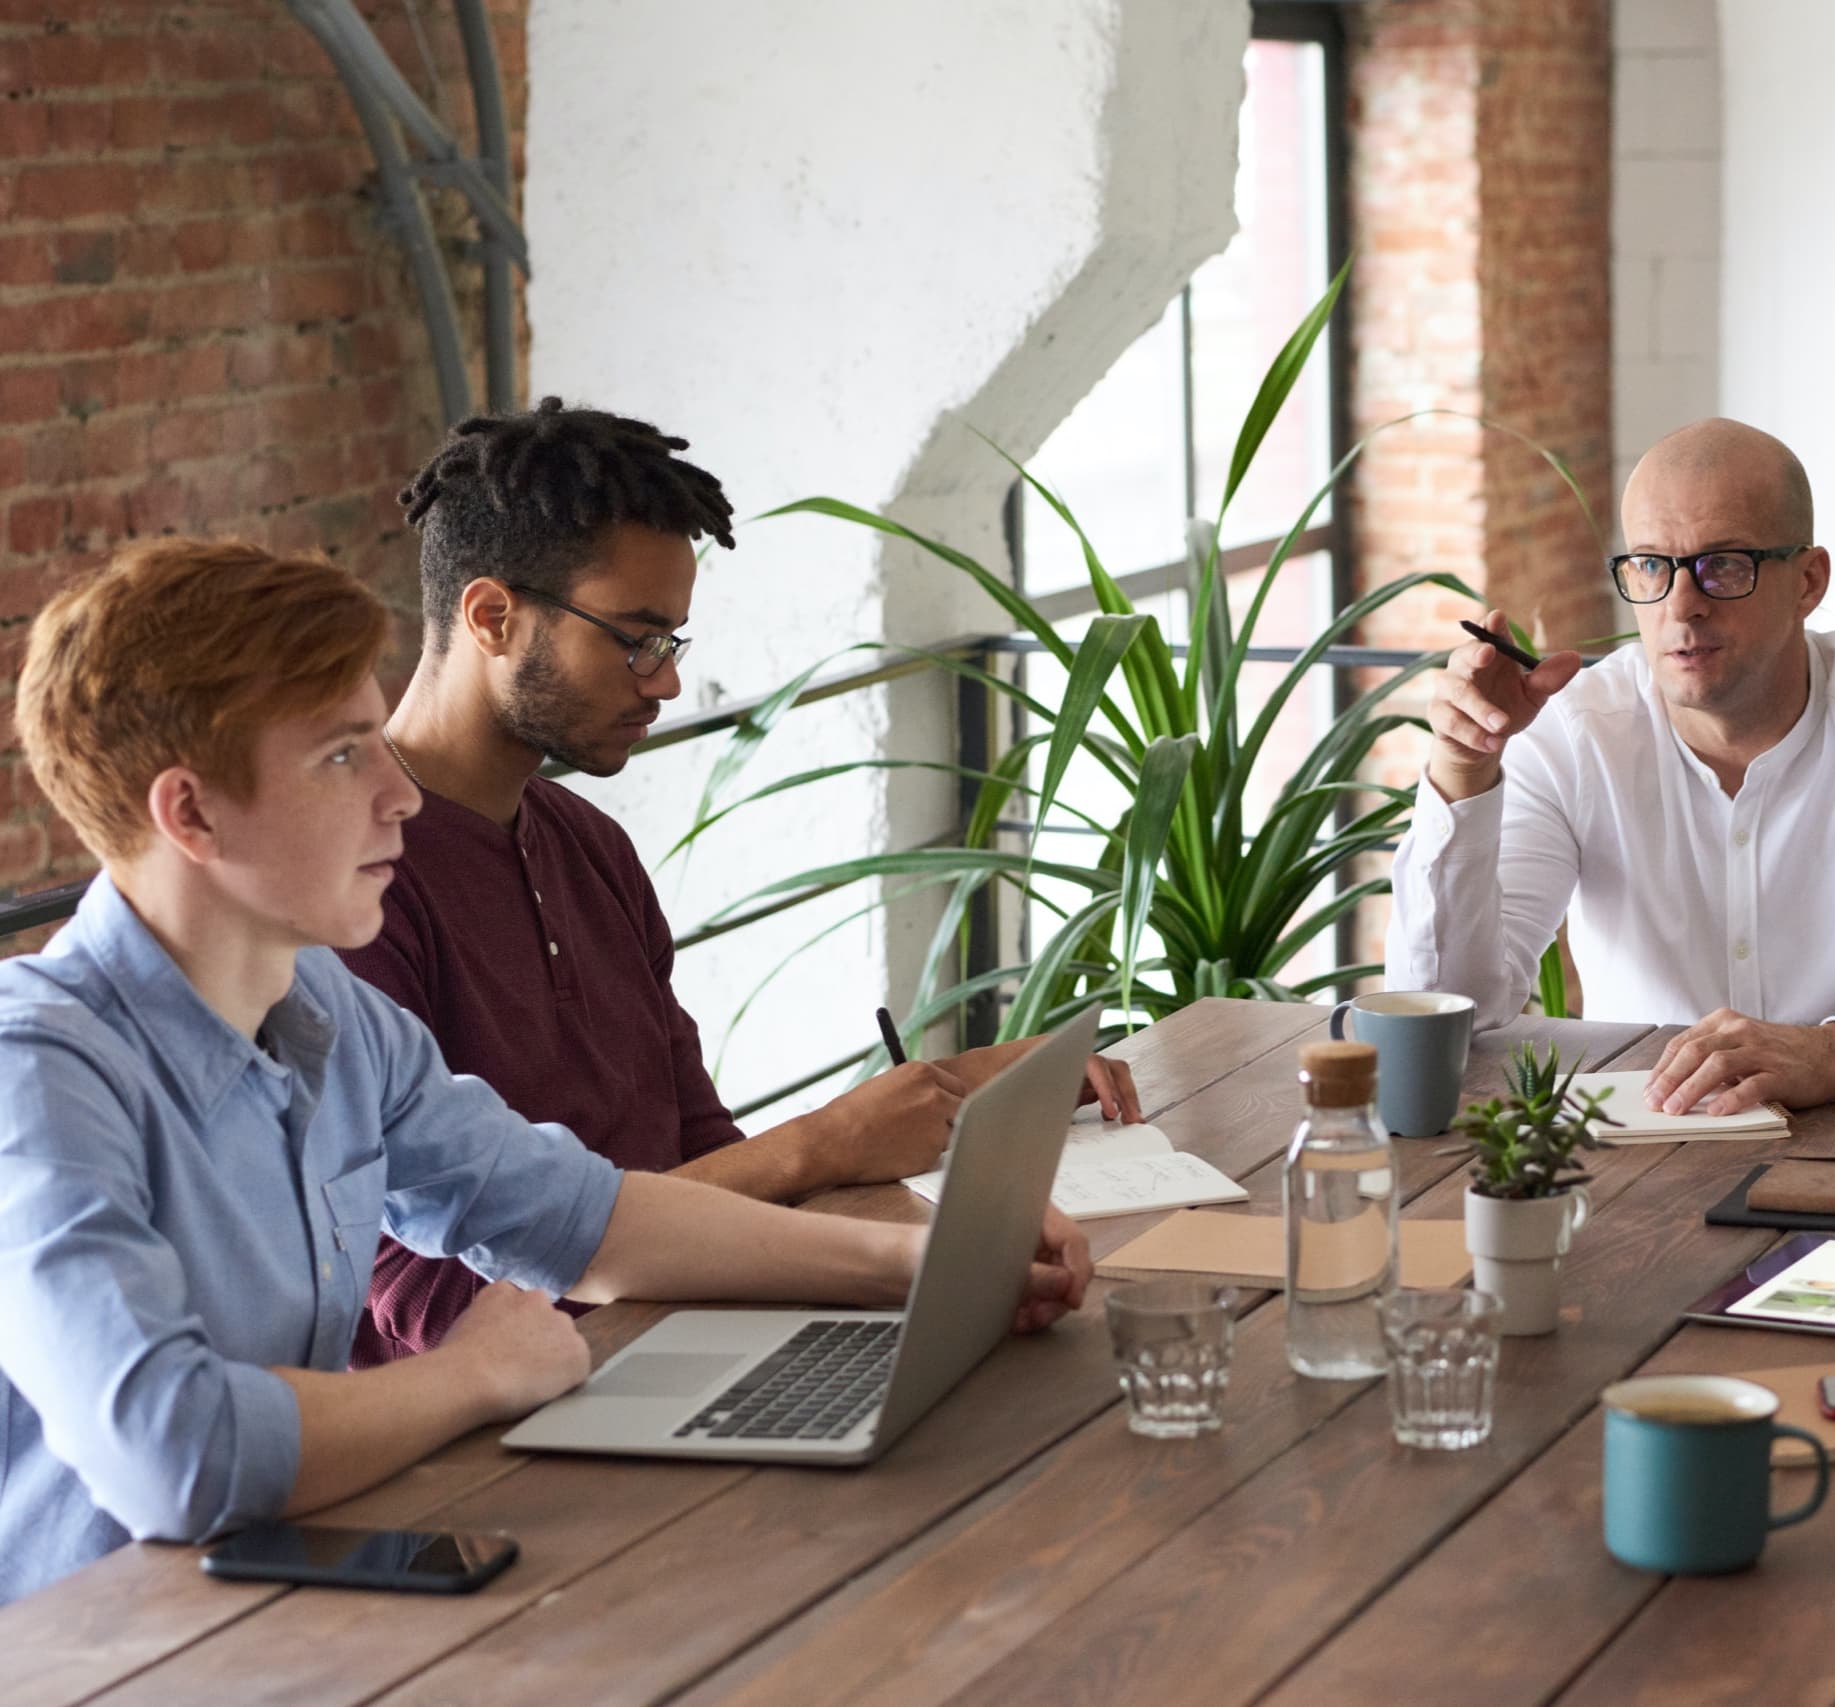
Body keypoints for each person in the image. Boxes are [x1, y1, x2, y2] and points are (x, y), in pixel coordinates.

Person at [0, 539, 1092, 1605]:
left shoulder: (326, 1011)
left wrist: (934, 1264)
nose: (401, 796)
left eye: (380, 741)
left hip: (278, 1599)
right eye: (342, 755)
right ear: (189, 813)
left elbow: (585, 1218)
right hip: (93, 1650)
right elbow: (171, 1458)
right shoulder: (37, 1073)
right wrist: (475, 1373)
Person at [343, 398, 1136, 1364]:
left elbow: (700, 1155)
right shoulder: (355, 890)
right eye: (635, 639)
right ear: (492, 616)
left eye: (671, 642)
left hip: (691, 1346)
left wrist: (948, 1110)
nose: (663, 682)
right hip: (503, 1440)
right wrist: (823, 1145)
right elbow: (431, 1311)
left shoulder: (591, 847)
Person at [1388, 417, 1835, 1116]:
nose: (1682, 606)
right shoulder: (1576, 734)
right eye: (1651, 565)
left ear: (1808, 581)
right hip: (1642, 1157)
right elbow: (1447, 1015)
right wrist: (1461, 768)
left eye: (1723, 565)